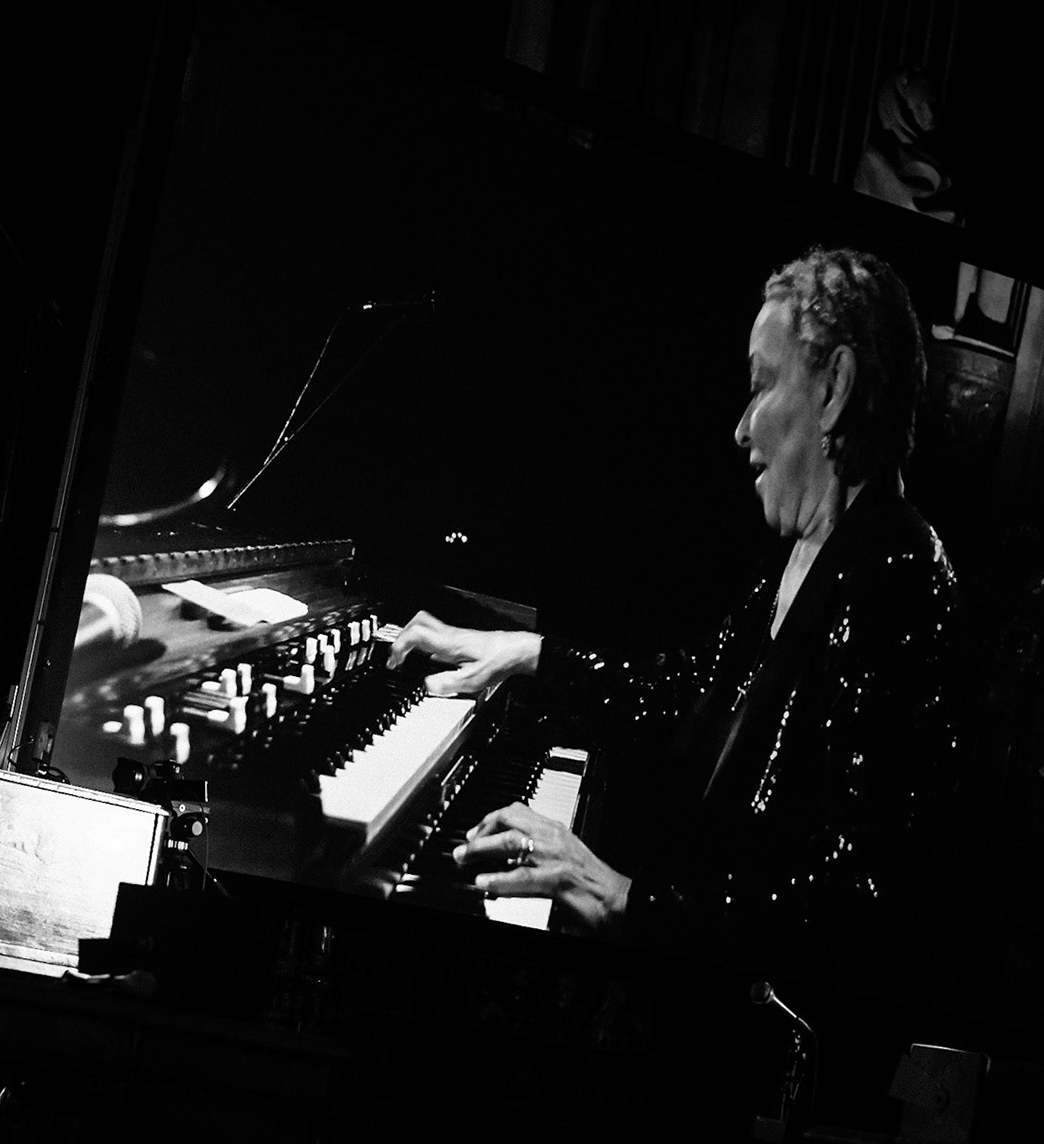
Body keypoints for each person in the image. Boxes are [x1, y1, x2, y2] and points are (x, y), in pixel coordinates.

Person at [387, 246, 959, 973]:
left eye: (763, 386)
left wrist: (625, 898)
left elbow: (862, 899)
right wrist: (523, 652)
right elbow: (687, 693)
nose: (742, 428)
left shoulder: (896, 570)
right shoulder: (798, 556)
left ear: (835, 388)